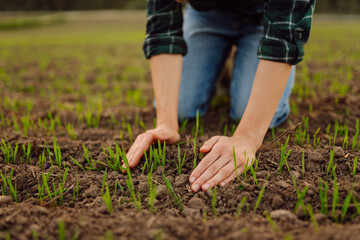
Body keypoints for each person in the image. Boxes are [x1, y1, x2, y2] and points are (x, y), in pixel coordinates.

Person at [124, 0, 316, 192]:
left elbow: (282, 40)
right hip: (207, 16)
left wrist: (247, 138)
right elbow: (163, 31)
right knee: (181, 108)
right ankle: (222, 65)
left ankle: (243, 61)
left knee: (247, 112)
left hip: (267, 16)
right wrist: (166, 123)